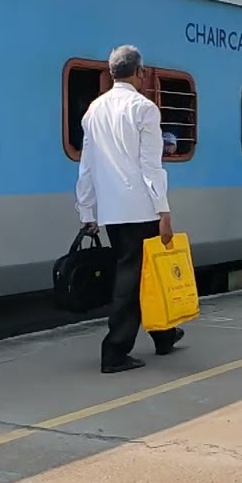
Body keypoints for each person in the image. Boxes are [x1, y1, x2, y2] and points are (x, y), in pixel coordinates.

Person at [75, 45, 185, 374]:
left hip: (111, 210)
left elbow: (86, 166)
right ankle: (115, 350)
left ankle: (164, 335)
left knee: (140, 274)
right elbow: (151, 166)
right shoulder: (144, 109)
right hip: (141, 208)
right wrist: (164, 211)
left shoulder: (93, 110)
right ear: (139, 72)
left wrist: (87, 212)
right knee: (132, 278)